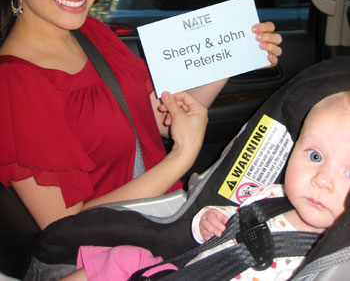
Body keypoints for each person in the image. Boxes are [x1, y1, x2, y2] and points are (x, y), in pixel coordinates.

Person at [0, 0, 282, 231]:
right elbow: (65, 228)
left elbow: (159, 118)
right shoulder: (14, 84)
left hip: (165, 222)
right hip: (115, 253)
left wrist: (232, 54)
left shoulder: (91, 33)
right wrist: (181, 158)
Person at [61, 91, 350, 281]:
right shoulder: (272, 195)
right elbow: (228, 220)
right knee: (123, 258)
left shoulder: (331, 260)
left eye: (348, 172)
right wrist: (208, 221)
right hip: (184, 272)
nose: (322, 179)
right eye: (314, 156)